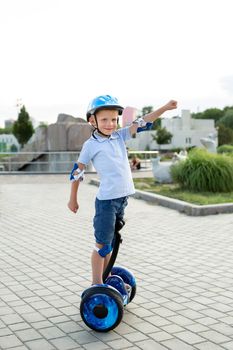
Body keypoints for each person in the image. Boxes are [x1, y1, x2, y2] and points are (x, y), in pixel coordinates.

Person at [68, 95, 177, 285]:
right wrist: (73, 199)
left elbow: (143, 122)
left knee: (109, 244)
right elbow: (77, 171)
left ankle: (106, 278)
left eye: (113, 119)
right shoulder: (90, 145)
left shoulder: (119, 136)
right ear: (92, 121)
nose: (110, 124)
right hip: (106, 203)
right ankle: (96, 285)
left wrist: (165, 108)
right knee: (101, 245)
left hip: (121, 200)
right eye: (104, 120)